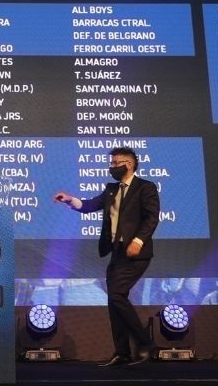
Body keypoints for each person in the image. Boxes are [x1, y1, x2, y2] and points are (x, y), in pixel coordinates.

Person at [54, 146, 160, 367]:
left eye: (115, 163)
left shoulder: (146, 187)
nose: (111, 167)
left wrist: (138, 241)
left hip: (136, 254)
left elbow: (151, 218)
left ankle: (145, 343)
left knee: (117, 295)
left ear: (128, 164)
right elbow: (89, 205)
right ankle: (122, 353)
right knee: (113, 301)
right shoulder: (112, 189)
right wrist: (69, 199)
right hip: (117, 253)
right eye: (111, 163)